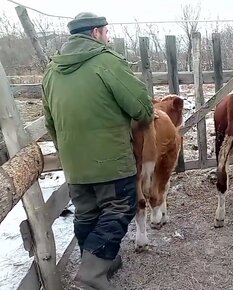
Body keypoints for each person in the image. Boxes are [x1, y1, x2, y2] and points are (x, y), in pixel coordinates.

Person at [41, 12, 155, 290]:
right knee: (119, 208)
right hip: (111, 161)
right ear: (95, 34)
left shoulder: (51, 71)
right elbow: (142, 107)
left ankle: (104, 262)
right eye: (106, 32)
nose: (108, 37)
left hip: (75, 164)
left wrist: (70, 153)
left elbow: (49, 122)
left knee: (87, 213)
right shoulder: (107, 62)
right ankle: (91, 277)